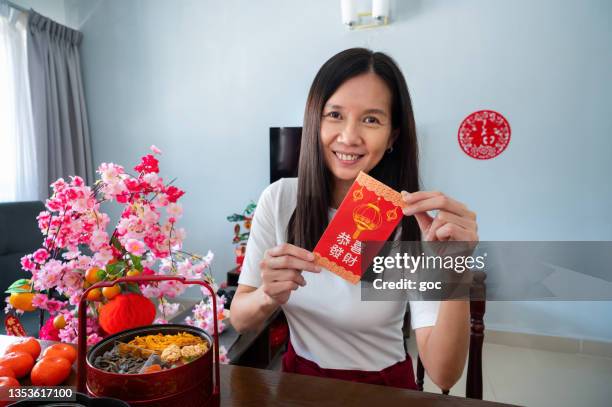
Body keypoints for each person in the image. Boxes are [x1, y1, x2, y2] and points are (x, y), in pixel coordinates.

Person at [230, 48, 478, 391]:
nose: (348, 136)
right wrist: (267, 295)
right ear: (316, 120)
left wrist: (456, 269)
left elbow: (444, 373)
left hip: (384, 388)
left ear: (393, 136)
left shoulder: (415, 222)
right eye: (334, 114)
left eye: (371, 119)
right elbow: (240, 319)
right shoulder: (280, 199)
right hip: (299, 384)